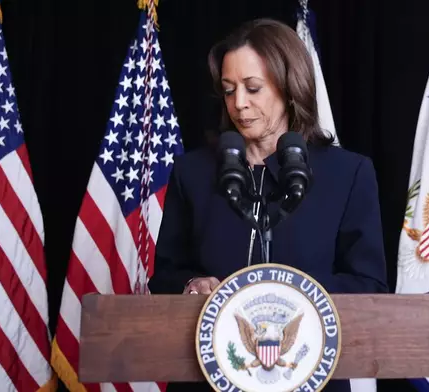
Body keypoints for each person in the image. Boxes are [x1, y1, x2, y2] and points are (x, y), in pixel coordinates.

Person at [148, 18, 388, 392]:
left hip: (312, 377)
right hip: (207, 378)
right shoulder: (192, 172)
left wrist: (281, 295)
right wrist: (191, 284)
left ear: (290, 86)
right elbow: (165, 274)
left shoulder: (347, 173)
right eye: (228, 90)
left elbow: (369, 285)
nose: (239, 104)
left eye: (253, 88)